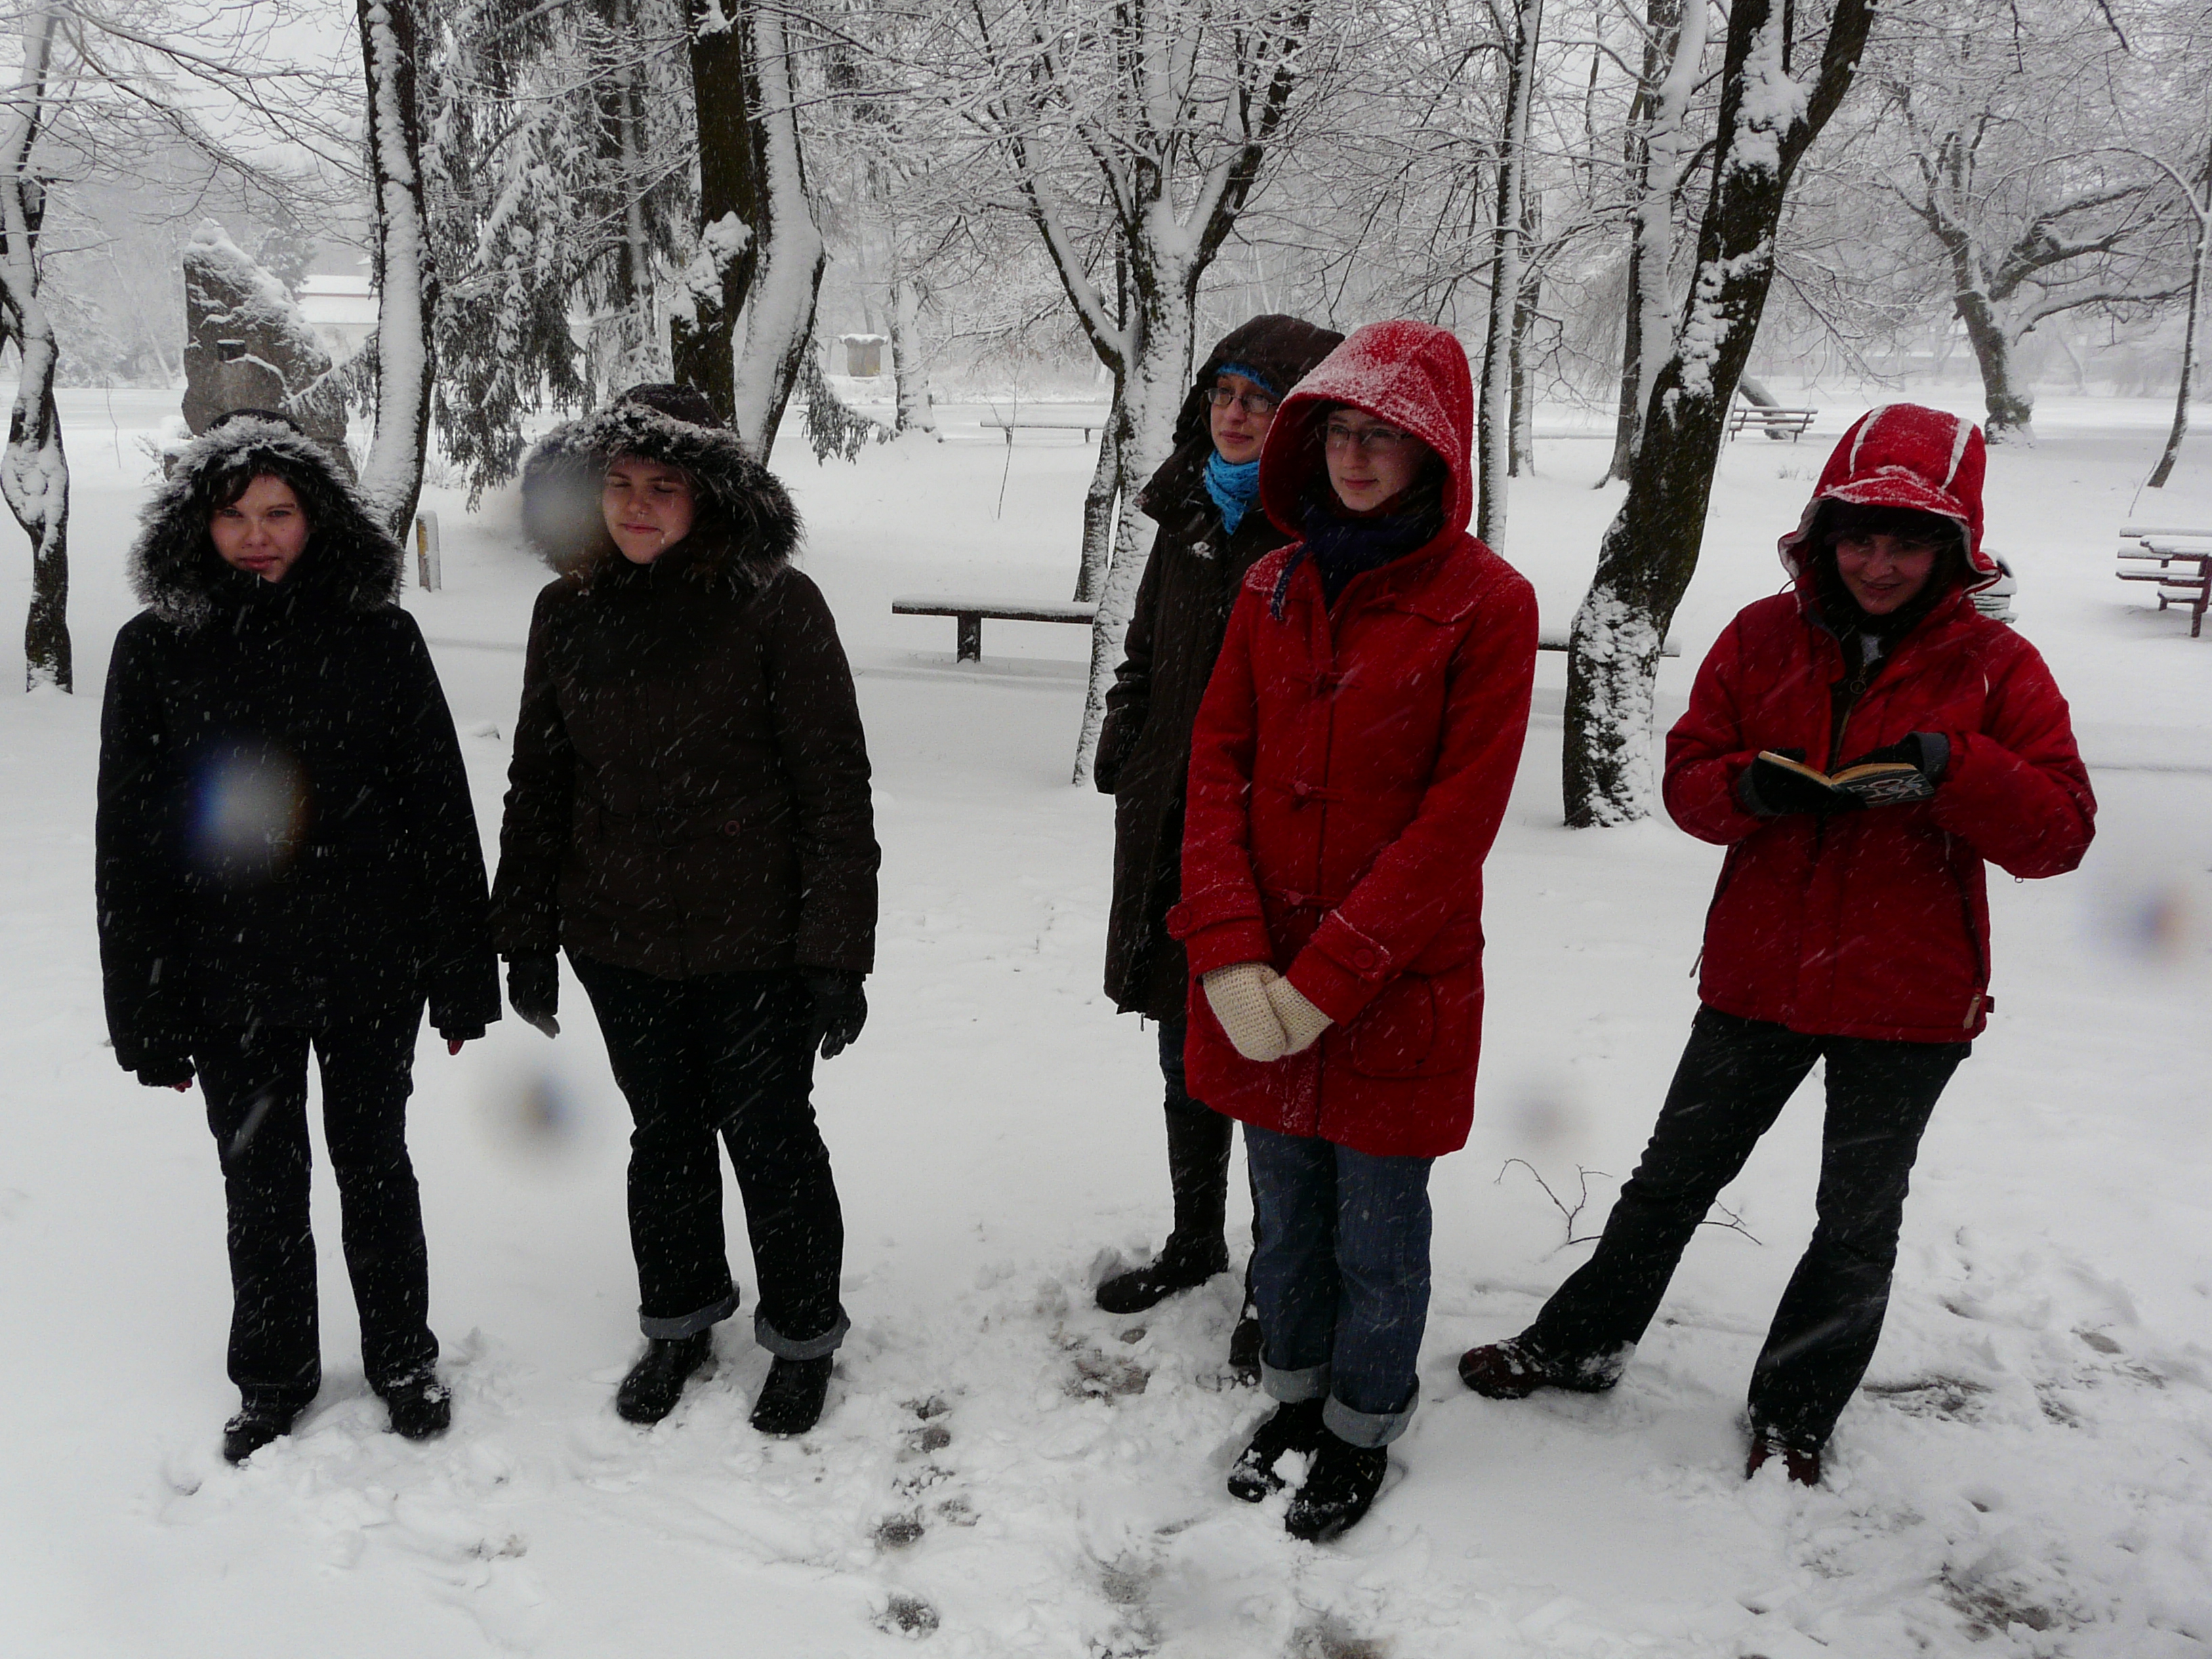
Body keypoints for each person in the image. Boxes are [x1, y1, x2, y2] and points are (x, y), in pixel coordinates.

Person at [1458, 403, 2096, 1485]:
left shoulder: (2000, 666)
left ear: (1953, 549)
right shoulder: (1761, 635)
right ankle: (1578, 1346)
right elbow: (1686, 780)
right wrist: (1750, 788)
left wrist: (1958, 769)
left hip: (1908, 998)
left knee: (1855, 1222)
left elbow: (2061, 835)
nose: (1879, 564)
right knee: (1668, 1183)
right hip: (1758, 978)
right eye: (1860, 538)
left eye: (1907, 544)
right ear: (1824, 535)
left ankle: (1795, 1414)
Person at [1169, 321, 1538, 1540]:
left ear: (1436, 451)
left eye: (1386, 435)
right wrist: (1228, 946)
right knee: (1285, 1220)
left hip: (1393, 984)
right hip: (1259, 976)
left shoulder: (1487, 604)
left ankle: (1362, 1424)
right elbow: (1216, 762)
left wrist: (1329, 977)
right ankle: (1293, 1397)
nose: (1356, 456)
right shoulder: (1271, 585)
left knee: (1378, 1233)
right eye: (1339, 431)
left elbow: (1456, 820)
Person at [97, 410, 498, 1465]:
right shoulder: (156, 651)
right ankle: (273, 1377)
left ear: (317, 519)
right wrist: (145, 1011)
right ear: (198, 525)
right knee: (260, 1184)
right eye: (233, 515)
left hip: (371, 963)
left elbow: (438, 810)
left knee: (375, 1165)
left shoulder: (379, 638)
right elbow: (129, 843)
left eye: (279, 512)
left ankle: (402, 1358)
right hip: (227, 976)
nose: (257, 535)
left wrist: (462, 973)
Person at [492, 384, 877, 1438]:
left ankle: (801, 1335)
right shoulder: (567, 612)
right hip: (618, 939)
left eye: (663, 485)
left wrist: (836, 951)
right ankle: (680, 1318)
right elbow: (540, 782)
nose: (637, 505)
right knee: (663, 1136)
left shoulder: (777, 605)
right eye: (618, 483)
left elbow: (833, 788)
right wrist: (524, 936)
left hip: (757, 941)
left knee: (770, 1136)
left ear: (709, 494)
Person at [1092, 314, 1343, 1366]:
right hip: (1166, 816)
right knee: (1181, 1043)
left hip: (1262, 833)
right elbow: (1145, 650)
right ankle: (1196, 1238)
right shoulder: (1189, 510)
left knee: (1263, 1056)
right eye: (1224, 394)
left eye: (1262, 401)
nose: (1235, 416)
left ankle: (1278, 1278)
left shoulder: (1317, 532)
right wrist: (1128, 737)